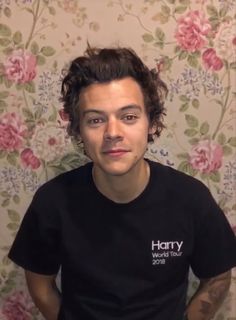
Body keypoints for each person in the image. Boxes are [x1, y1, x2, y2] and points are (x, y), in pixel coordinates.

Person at [8, 47, 236, 320]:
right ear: (78, 129)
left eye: (129, 117)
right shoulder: (52, 202)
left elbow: (218, 275)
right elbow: (40, 285)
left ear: (151, 123)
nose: (113, 133)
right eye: (95, 120)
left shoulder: (191, 199)